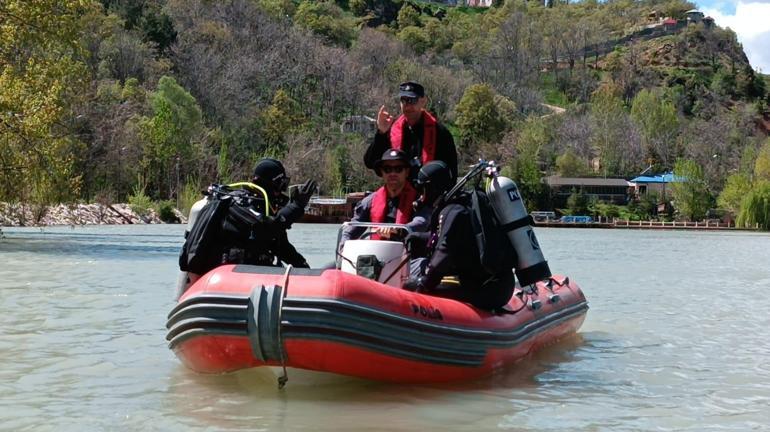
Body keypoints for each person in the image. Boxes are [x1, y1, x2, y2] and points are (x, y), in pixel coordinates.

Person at [404, 164, 515, 311]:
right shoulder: (460, 206)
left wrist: (423, 286)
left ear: (432, 188)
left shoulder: (453, 212)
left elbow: (443, 254)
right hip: (497, 286)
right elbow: (443, 240)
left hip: (487, 290)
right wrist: (415, 237)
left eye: (421, 189)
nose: (420, 196)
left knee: (408, 285)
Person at [364, 81, 458, 181]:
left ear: (423, 101)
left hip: (428, 193)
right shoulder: (391, 130)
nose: (407, 106)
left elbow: (451, 173)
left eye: (412, 100)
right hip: (398, 192)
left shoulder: (440, 132)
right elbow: (370, 163)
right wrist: (381, 133)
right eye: (403, 100)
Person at [340, 149, 430, 247]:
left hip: (409, 256)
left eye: (398, 169)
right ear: (382, 173)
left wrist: (397, 229)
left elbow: (421, 223)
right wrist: (343, 245)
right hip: (377, 255)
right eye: (387, 169)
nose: (392, 173)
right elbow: (351, 228)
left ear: (407, 172)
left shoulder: (419, 200)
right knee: (332, 263)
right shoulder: (369, 201)